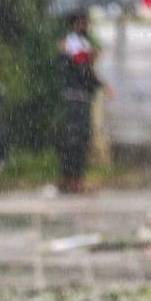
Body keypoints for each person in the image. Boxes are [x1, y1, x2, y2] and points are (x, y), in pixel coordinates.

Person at [56, 13, 106, 194]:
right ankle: (72, 179)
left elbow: (85, 69)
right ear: (76, 23)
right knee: (76, 139)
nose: (87, 25)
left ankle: (73, 178)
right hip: (76, 96)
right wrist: (89, 60)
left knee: (78, 138)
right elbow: (80, 70)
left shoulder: (80, 43)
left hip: (81, 96)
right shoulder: (71, 44)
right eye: (84, 21)